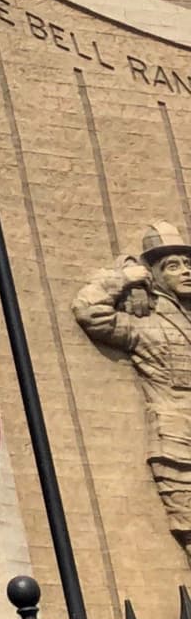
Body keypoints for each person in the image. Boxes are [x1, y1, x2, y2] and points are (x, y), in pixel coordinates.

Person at [73, 223, 191, 560]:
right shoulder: (144, 324)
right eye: (172, 265)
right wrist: (126, 276)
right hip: (179, 449)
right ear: (153, 274)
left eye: (188, 264)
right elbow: (90, 312)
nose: (185, 271)